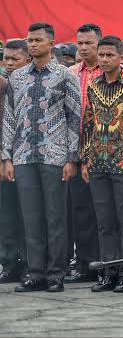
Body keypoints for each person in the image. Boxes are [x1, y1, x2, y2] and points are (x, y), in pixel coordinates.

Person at [2, 22, 81, 293]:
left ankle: (56, 273)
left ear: (51, 43)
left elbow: (74, 117)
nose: (33, 44)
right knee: (31, 217)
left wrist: (72, 158)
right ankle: (34, 272)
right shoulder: (17, 77)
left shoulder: (65, 75)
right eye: (30, 40)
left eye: (37, 40)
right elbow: (9, 118)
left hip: (55, 156)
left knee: (55, 217)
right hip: (23, 156)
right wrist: (7, 157)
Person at [81, 35, 123, 294]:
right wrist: (85, 159)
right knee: (104, 221)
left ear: (121, 57)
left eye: (110, 55)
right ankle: (108, 272)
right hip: (98, 163)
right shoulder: (94, 85)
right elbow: (88, 123)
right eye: (102, 55)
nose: (105, 59)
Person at [65, 24, 103, 284]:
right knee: (80, 211)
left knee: (103, 210)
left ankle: (105, 263)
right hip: (76, 151)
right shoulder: (70, 74)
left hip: (104, 152)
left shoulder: (115, 72)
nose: (84, 48)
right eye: (80, 43)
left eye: (89, 43)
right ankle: (85, 264)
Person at [0, 40, 30, 284]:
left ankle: (31, 263)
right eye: (6, 59)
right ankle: (9, 263)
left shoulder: (33, 83)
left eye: (14, 59)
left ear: (28, 60)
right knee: (6, 214)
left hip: (29, 158)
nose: (9, 64)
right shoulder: (2, 85)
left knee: (29, 214)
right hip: (5, 159)